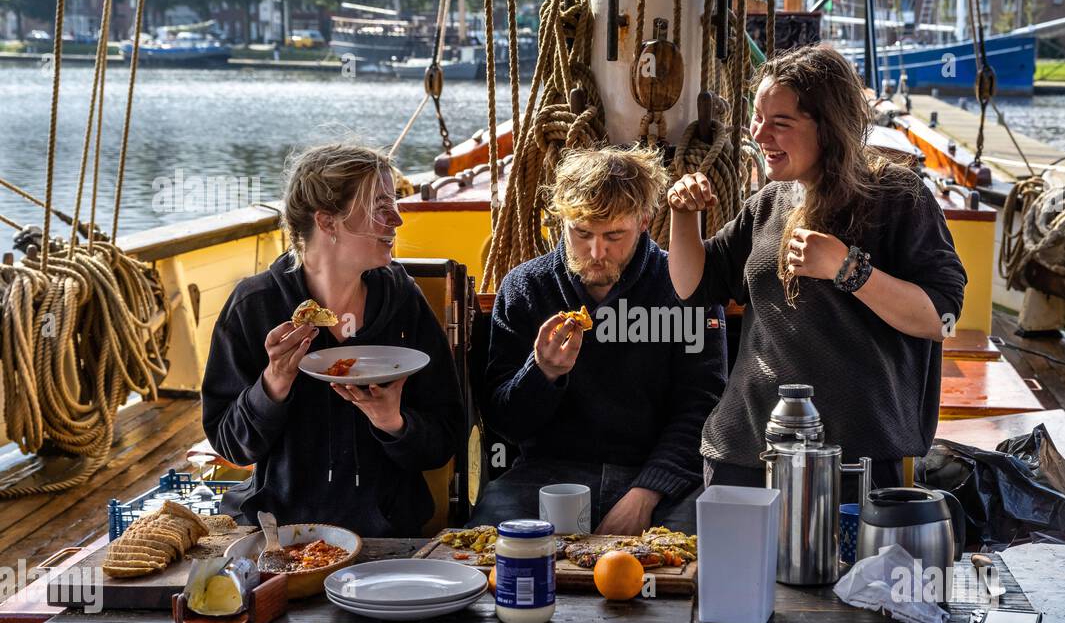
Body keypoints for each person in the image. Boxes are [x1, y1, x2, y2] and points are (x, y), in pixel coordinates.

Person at [666, 44, 967, 492]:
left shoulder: (897, 196)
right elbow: (693, 285)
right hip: (745, 449)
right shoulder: (768, 201)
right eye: (758, 118)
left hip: (855, 458)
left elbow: (941, 318)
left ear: (828, 127)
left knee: (850, 568)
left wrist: (849, 270)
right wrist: (683, 215)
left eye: (780, 123)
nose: (760, 134)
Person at [202, 142, 466, 535]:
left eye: (394, 204)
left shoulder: (402, 301)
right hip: (282, 533)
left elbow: (445, 439)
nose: (397, 220)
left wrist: (393, 422)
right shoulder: (255, 305)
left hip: (389, 533)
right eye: (380, 207)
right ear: (327, 222)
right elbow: (232, 445)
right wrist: (273, 383)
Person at [472, 144, 727, 536]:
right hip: (546, 475)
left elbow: (703, 409)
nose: (596, 252)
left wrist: (647, 492)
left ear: (644, 221)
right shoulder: (525, 288)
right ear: (561, 220)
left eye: (614, 235)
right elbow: (506, 424)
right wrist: (541, 374)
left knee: (704, 554)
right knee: (488, 548)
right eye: (582, 233)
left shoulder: (686, 288)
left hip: (658, 477)